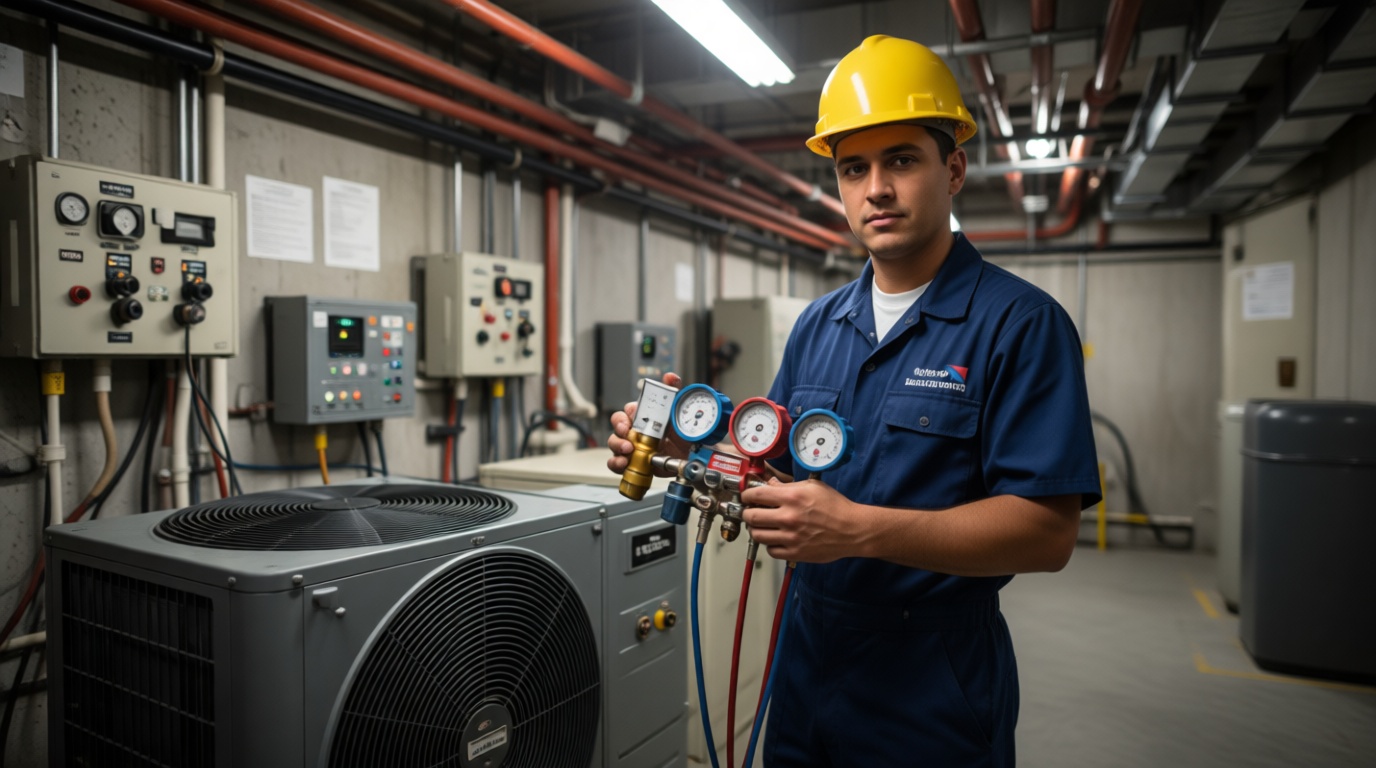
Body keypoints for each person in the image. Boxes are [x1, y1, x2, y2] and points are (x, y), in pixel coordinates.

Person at [609, 35, 1100, 767]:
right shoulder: (819, 323)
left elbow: (1045, 533)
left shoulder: (1020, 324)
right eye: (853, 168)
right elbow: (768, 455)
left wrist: (861, 530)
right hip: (807, 654)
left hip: (932, 675)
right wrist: (688, 446)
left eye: (901, 159)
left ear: (954, 168)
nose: (876, 188)